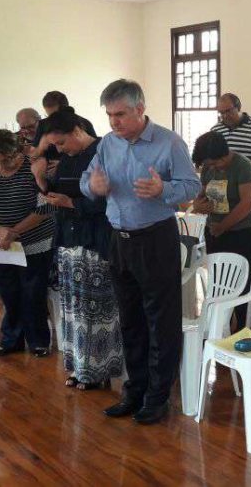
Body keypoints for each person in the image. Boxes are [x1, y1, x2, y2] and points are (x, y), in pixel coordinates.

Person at [81, 79, 200, 425]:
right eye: (109, 115)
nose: (113, 122)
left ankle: (158, 396)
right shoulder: (107, 144)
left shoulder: (169, 143)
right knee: (130, 320)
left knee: (160, 321)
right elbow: (87, 182)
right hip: (118, 239)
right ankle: (134, 390)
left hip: (155, 238)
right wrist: (93, 186)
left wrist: (165, 189)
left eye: (120, 114)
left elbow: (192, 186)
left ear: (140, 109)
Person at [39, 107, 123, 390]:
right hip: (68, 240)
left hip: (96, 240)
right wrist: (43, 182)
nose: (60, 150)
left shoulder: (103, 152)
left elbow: (109, 199)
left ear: (77, 131)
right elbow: (59, 187)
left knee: (97, 309)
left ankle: (99, 370)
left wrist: (71, 203)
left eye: (62, 143)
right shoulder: (67, 159)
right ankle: (79, 366)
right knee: (73, 309)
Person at [0, 129, 56, 358]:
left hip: (33, 242)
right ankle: (11, 340)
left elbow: (45, 208)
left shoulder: (33, 166)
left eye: (3, 161)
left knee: (33, 293)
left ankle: (38, 341)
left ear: (15, 153)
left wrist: (14, 232)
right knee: (9, 293)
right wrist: (0, 230)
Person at [192, 131, 251, 329]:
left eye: (214, 163)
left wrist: (223, 226)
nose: (211, 168)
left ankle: (244, 327)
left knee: (243, 281)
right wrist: (198, 204)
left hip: (242, 233)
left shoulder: (243, 166)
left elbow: (248, 204)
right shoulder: (208, 168)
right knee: (220, 281)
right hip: (215, 232)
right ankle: (222, 326)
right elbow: (201, 195)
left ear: (224, 154)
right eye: (208, 165)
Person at [211, 93, 251, 224]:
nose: (225, 116)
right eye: (221, 113)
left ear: (238, 107)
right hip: (222, 189)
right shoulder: (216, 130)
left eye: (228, 111)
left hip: (250, 187)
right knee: (222, 226)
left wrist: (237, 164)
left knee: (250, 226)